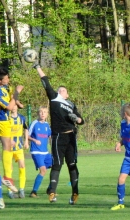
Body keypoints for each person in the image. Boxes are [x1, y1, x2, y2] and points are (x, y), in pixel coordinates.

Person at [33, 62, 84, 204]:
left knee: (72, 164)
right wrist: (38, 67)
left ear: (67, 95)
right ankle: (52, 193)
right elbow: (45, 82)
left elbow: (81, 120)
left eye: (63, 90)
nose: (60, 90)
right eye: (59, 89)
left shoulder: (71, 105)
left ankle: (75, 193)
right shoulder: (54, 98)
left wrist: (77, 118)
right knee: (57, 164)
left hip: (70, 137)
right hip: (58, 137)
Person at [28, 106, 52, 198]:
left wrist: (53, 148)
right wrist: (34, 140)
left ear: (47, 114)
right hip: (36, 152)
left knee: (56, 166)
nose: (43, 113)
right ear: (38, 113)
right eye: (41, 112)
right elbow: (27, 135)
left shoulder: (47, 125)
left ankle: (50, 189)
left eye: (45, 112)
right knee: (43, 170)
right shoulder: (34, 123)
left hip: (45, 152)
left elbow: (50, 137)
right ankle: (33, 192)